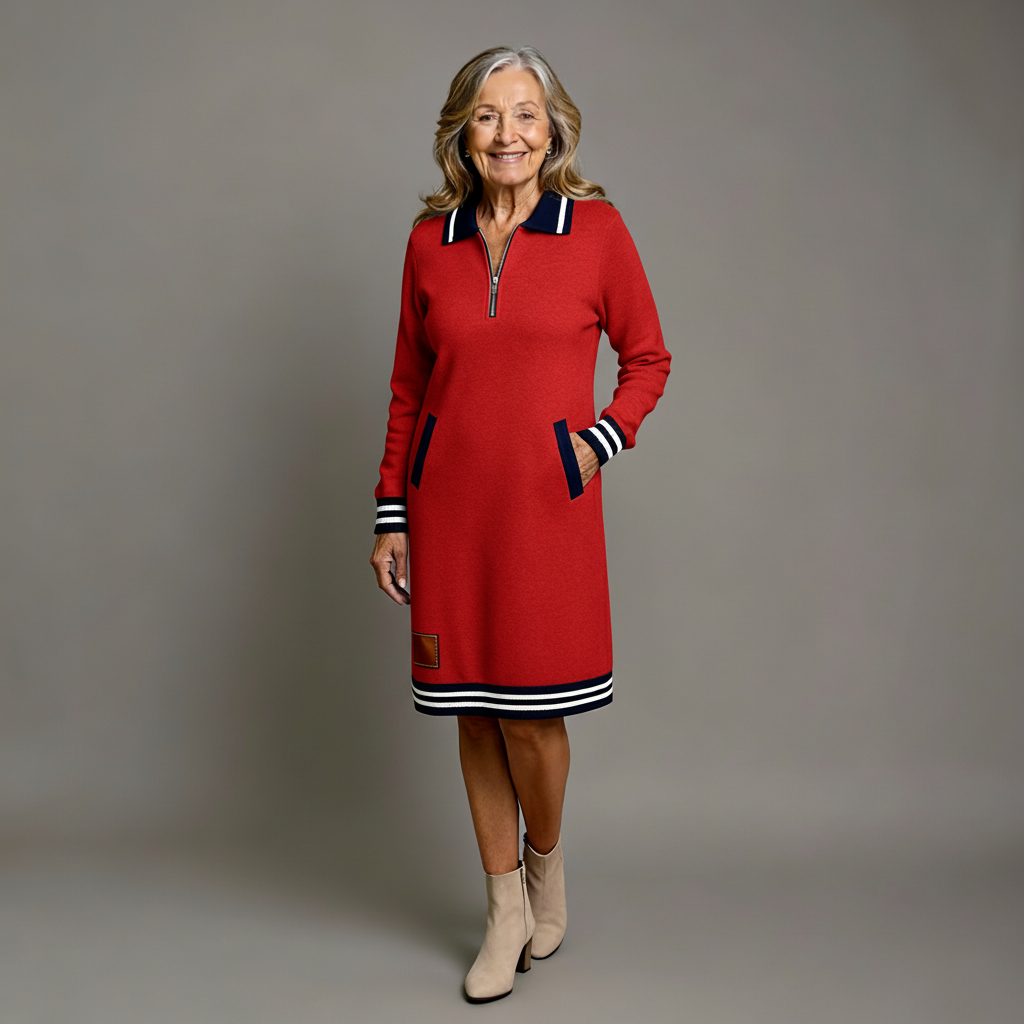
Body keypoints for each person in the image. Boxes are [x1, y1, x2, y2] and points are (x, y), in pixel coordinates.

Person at [369, 46, 670, 1003]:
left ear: (555, 129)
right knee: (473, 711)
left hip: (547, 512)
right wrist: (391, 515)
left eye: (526, 114)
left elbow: (649, 359)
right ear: (464, 132)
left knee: (534, 721)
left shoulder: (597, 232)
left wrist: (598, 443)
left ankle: (546, 862)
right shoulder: (430, 242)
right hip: (448, 513)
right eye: (489, 115)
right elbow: (408, 387)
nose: (509, 133)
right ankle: (504, 909)